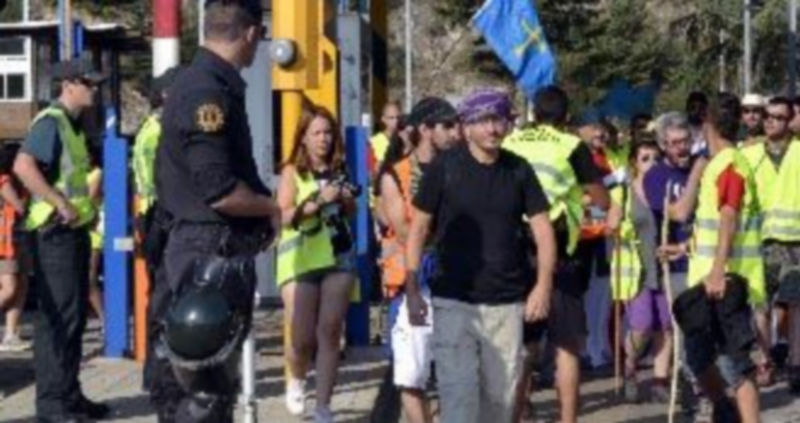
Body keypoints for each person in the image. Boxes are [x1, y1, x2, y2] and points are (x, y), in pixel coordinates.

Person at [150, 1, 280, 421]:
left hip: (205, 248)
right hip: (205, 251)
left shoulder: (208, 84)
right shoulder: (207, 92)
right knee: (202, 390)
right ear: (250, 33)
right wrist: (272, 206)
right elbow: (219, 189)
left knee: (212, 383)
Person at [404, 89, 556, 423]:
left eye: (499, 119)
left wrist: (543, 286)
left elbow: (544, 232)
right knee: (458, 402)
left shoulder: (519, 170)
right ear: (467, 126)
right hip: (453, 302)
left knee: (500, 406)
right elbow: (417, 229)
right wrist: (412, 289)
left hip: (506, 304)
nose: (492, 128)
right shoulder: (443, 168)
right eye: (484, 120)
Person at [13, 55, 110, 422]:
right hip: (54, 234)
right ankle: (52, 404)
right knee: (58, 320)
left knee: (73, 319)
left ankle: (69, 396)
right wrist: (60, 203)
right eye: (89, 84)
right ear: (68, 84)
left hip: (72, 234)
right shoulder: (51, 122)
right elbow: (23, 166)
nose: (94, 90)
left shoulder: (73, 124)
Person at [505, 86, 609, 423]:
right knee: (566, 345)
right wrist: (601, 202)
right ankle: (567, 419)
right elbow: (600, 197)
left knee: (524, 343)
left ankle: (519, 412)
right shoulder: (571, 145)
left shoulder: (511, 142)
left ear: (534, 115)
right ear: (566, 118)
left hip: (515, 251)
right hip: (562, 254)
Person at [669, 93, 764, 423]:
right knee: (697, 356)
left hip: (726, 282)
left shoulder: (730, 164)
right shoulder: (716, 163)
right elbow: (710, 223)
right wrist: (683, 249)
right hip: (707, 278)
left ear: (708, 124)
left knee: (735, 365)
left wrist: (719, 271)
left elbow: (728, 216)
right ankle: (725, 413)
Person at [377, 97, 459, 423]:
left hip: (456, 280)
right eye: (448, 126)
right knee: (412, 374)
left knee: (455, 371)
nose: (456, 133)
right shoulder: (395, 175)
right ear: (425, 130)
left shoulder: (460, 168)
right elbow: (404, 232)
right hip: (412, 282)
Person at [276, 104, 358, 423]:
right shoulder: (291, 172)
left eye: (328, 133)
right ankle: (296, 379)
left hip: (338, 254)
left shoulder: (340, 168)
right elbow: (282, 216)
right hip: (300, 257)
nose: (323, 139)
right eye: (317, 133)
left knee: (330, 330)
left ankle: (323, 406)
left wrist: (346, 200)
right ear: (303, 138)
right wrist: (316, 202)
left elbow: (349, 213)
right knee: (301, 336)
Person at [606, 140, 673, 404]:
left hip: (663, 264)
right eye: (645, 158)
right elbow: (611, 224)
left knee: (665, 326)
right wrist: (615, 225)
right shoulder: (623, 192)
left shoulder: (666, 190)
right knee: (642, 324)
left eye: (656, 158)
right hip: (636, 268)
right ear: (634, 162)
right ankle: (630, 367)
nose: (652, 163)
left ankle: (660, 380)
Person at [742, 96, 800, 394]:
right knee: (759, 306)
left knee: (795, 306)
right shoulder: (750, 155)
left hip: (795, 244)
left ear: (789, 120)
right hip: (759, 243)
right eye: (767, 116)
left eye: (778, 116)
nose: (771, 121)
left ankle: (795, 363)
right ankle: (765, 361)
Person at [0, 142, 30, 352]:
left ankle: (11, 333)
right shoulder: (4, 181)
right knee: (10, 287)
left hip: (17, 239)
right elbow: (18, 207)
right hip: (5, 241)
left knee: (20, 286)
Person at [86, 163, 104, 330]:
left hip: (93, 230)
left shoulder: (97, 173)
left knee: (89, 277)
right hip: (83, 228)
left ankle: (104, 318)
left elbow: (90, 198)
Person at [371, 101, 403, 167]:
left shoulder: (402, 138)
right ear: (383, 119)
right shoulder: (378, 141)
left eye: (398, 117)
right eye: (391, 118)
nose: (396, 121)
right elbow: (377, 167)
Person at [686, 91, 709, 156]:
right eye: (693, 107)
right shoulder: (681, 129)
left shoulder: (711, 131)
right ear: (687, 108)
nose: (697, 111)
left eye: (700, 108)